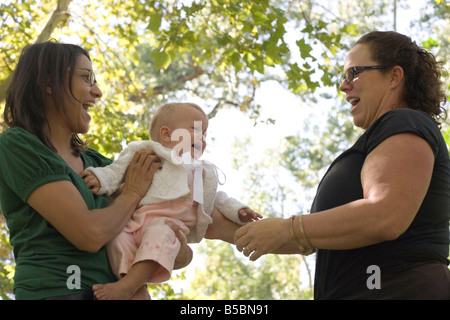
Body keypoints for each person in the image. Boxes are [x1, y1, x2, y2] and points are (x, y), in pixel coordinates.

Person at [234, 31, 450, 299]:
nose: (343, 86)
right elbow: (306, 237)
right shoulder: (382, 136)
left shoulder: (405, 122)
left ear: (394, 76)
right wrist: (219, 225)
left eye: (354, 73)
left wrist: (290, 227)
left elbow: (385, 215)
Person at [0, 41, 194, 299]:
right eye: (86, 78)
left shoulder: (102, 167)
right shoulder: (17, 145)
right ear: (48, 83)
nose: (98, 91)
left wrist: (171, 241)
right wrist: (133, 192)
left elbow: (173, 250)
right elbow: (90, 234)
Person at [82, 102, 262, 300]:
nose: (202, 138)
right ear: (167, 135)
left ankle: (129, 285)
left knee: (161, 234)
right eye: (196, 130)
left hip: (169, 227)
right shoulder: (147, 151)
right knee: (116, 239)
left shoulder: (203, 171)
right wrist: (100, 178)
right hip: (133, 223)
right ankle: (130, 283)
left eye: (205, 134)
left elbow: (218, 198)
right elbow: (118, 170)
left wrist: (239, 211)